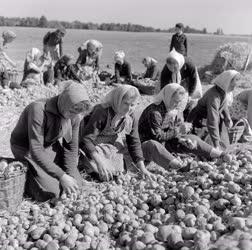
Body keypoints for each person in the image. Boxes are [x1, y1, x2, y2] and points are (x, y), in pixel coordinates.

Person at [10, 82, 91, 201]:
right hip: (26, 148)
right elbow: (36, 150)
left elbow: (71, 148)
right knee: (53, 193)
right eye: (72, 110)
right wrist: (62, 176)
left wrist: (70, 175)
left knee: (76, 185)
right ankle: (21, 171)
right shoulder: (38, 109)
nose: (73, 115)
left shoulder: (74, 117)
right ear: (65, 101)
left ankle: (46, 175)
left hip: (48, 145)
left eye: (77, 112)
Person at [138, 83, 224, 170]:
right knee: (153, 145)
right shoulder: (155, 112)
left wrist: (181, 139)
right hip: (146, 146)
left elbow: (171, 131)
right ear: (168, 97)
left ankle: (218, 154)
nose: (177, 104)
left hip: (165, 143)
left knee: (191, 138)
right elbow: (158, 137)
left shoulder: (171, 110)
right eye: (175, 101)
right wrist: (178, 130)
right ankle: (179, 166)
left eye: (179, 102)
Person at [79, 85, 154, 181]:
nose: (128, 108)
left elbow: (134, 141)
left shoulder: (130, 116)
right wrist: (99, 161)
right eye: (125, 103)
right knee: (98, 169)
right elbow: (87, 139)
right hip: (90, 144)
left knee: (118, 170)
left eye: (132, 105)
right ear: (117, 100)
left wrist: (142, 168)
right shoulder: (102, 112)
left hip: (109, 144)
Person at [187, 70, 240, 150]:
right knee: (204, 148)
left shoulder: (222, 92)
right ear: (226, 83)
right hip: (200, 120)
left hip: (212, 118)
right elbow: (212, 120)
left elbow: (223, 105)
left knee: (224, 145)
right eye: (233, 85)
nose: (234, 88)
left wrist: (227, 117)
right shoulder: (213, 97)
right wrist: (216, 144)